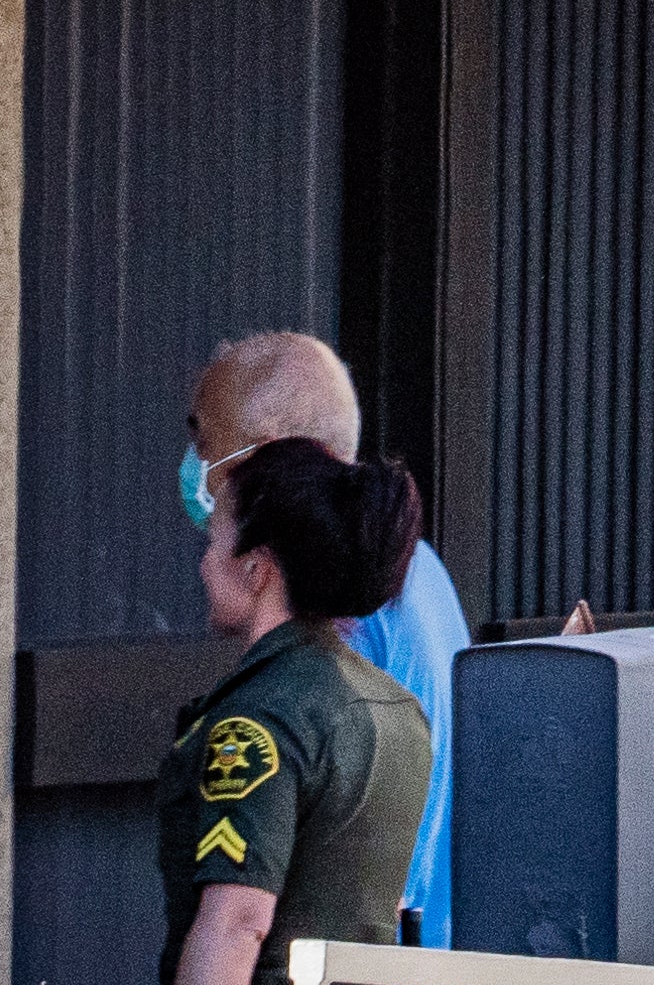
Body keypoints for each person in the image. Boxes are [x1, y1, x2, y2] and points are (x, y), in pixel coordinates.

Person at [127, 438, 433, 985]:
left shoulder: (259, 718)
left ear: (258, 568)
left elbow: (239, 919)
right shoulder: (392, 708)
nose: (205, 562)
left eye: (217, 540)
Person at [180, 332, 470, 949]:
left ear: (272, 454)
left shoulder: (337, 601)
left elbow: (259, 901)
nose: (194, 466)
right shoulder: (411, 569)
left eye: (205, 442)